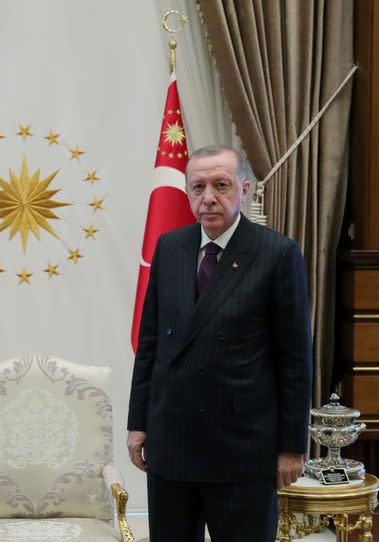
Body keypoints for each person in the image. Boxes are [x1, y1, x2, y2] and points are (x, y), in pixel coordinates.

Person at [127, 145, 312, 542]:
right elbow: (151, 344)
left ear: (243, 190)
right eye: (198, 187)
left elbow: (295, 362)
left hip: (243, 452)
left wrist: (291, 448)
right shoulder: (170, 247)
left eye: (221, 185)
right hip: (172, 445)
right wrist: (138, 423)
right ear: (189, 193)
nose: (209, 197)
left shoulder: (277, 254)